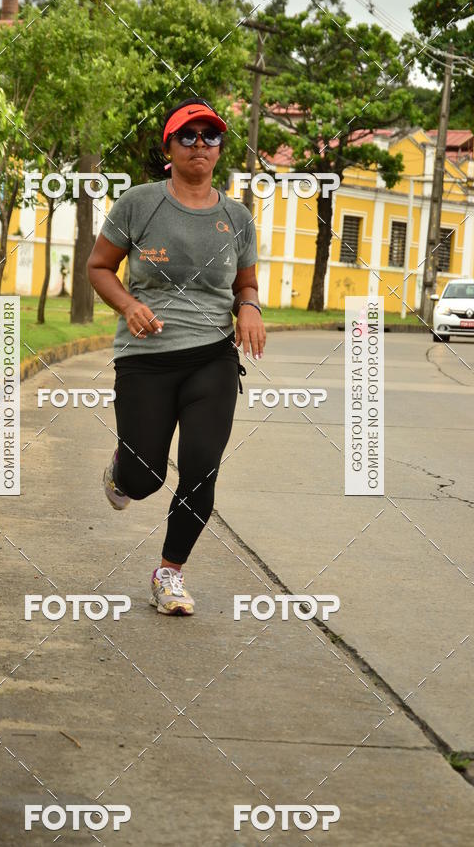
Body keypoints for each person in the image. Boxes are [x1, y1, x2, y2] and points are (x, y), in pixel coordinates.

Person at [86, 97, 266, 616]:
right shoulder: (139, 203)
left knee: (200, 468)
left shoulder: (236, 216)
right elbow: (99, 266)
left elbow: (245, 281)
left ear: (220, 149)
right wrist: (128, 303)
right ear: (169, 147)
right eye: (188, 136)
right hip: (145, 358)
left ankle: (170, 573)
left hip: (212, 358)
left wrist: (249, 308)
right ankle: (123, 469)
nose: (200, 146)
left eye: (210, 137)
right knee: (144, 481)